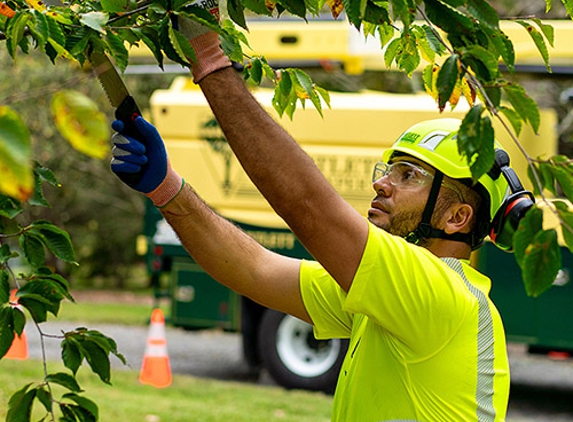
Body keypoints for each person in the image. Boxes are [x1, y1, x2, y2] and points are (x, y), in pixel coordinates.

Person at [109, 9, 513, 421]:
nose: (381, 184)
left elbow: (307, 206)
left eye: (408, 175)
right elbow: (255, 269)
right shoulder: (391, 299)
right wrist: (166, 188)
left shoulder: (439, 295)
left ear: (457, 218)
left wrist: (208, 56)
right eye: (388, 169)